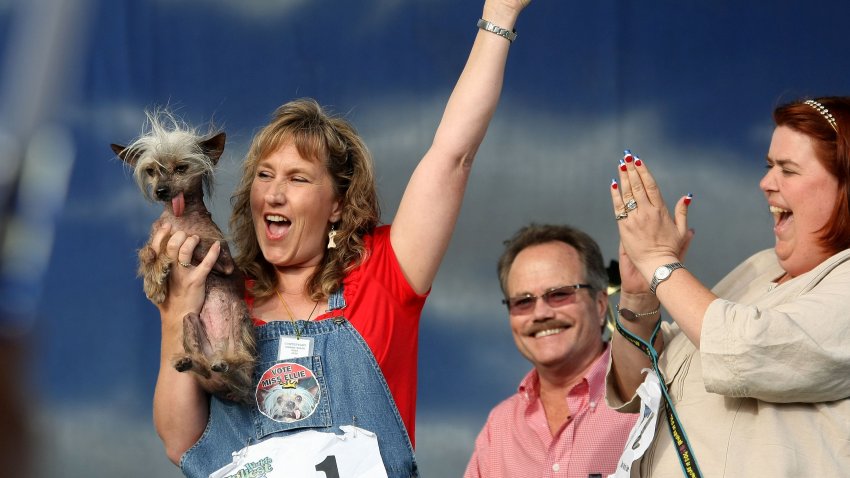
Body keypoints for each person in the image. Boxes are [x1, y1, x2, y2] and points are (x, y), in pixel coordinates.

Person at [148, 1, 531, 476]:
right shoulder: (221, 291)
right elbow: (179, 441)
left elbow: (453, 154)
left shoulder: (385, 272)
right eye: (264, 176)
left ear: (337, 203)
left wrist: (501, 12)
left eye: (298, 179)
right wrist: (178, 307)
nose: (275, 193)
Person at [607, 97, 850, 477]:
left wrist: (658, 261)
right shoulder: (759, 266)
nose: (766, 183)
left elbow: (747, 349)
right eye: (770, 166)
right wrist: (641, 293)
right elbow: (643, 384)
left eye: (788, 170)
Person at [464, 224, 637, 478]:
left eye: (559, 294)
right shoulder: (499, 427)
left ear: (600, 305)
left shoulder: (647, 398)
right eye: (523, 301)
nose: (541, 313)